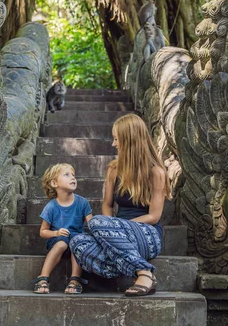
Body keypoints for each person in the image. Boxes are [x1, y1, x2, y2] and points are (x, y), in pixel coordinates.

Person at [70, 114, 171, 296]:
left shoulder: (156, 172)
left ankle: (144, 273)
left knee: (96, 222)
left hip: (147, 234)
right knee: (77, 242)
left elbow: (154, 216)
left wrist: (117, 227)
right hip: (116, 236)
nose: (113, 144)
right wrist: (110, 230)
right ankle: (130, 266)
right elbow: (107, 205)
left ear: (129, 140)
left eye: (117, 139)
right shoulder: (113, 169)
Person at [32, 163, 93, 294]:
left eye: (73, 175)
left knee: (78, 242)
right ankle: (43, 277)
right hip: (58, 241)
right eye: (67, 175)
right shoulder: (51, 206)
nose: (73, 178)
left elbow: (93, 224)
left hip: (77, 241)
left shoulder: (83, 203)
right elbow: (43, 231)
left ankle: (75, 279)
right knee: (61, 243)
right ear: (54, 183)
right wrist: (56, 233)